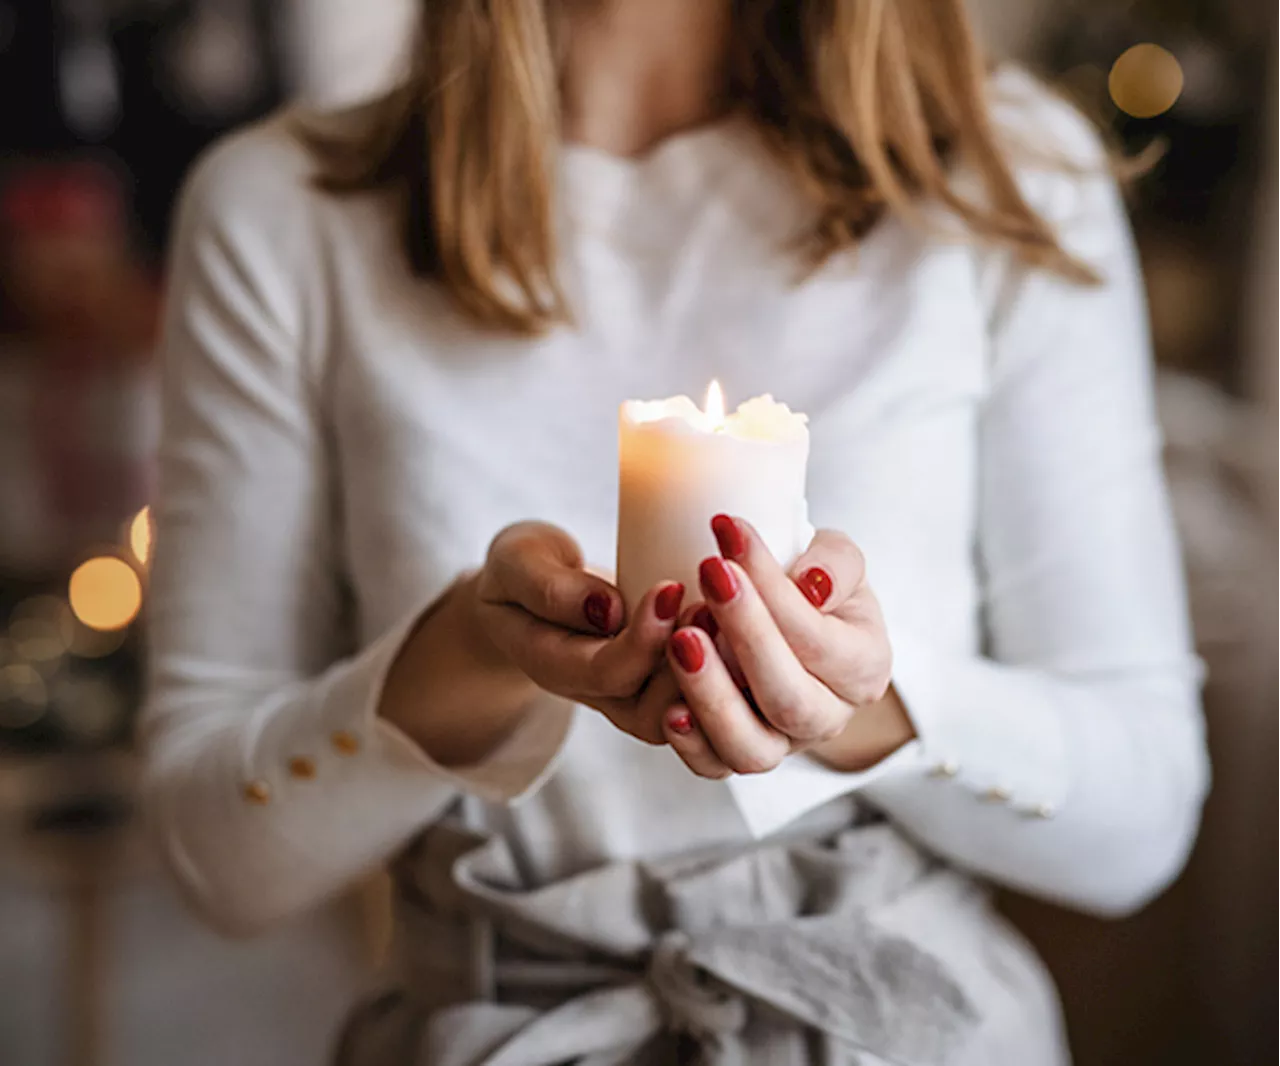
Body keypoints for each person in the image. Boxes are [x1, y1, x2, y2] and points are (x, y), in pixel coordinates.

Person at [141, 1, 1210, 1063]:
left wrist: (864, 707)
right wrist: (470, 660)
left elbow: (1138, 815)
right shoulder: (284, 211)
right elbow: (216, 860)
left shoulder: (1004, 173)